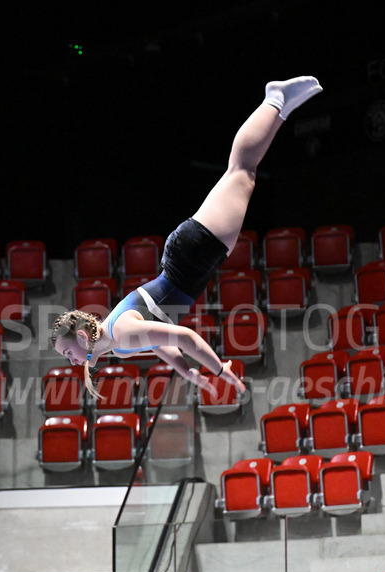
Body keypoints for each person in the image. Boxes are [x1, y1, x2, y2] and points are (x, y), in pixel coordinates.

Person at [52, 76, 323, 397]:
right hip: (188, 258)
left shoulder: (122, 333)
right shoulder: (118, 344)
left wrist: (220, 369)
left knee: (242, 170)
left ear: (82, 338)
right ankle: (280, 107)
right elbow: (161, 343)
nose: (71, 361)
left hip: (191, 256)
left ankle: (275, 100)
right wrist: (188, 372)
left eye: (68, 352)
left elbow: (184, 337)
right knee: (241, 173)